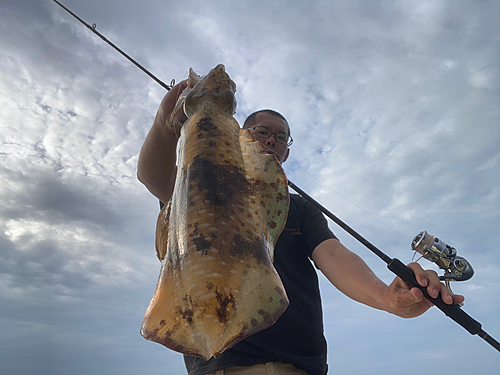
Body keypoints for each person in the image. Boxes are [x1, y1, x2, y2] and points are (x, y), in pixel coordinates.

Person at [137, 79, 464, 375]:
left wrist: (386, 298)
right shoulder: (200, 187)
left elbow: (334, 256)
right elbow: (154, 176)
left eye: (280, 137)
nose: (271, 140)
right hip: (224, 366)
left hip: (302, 367)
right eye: (262, 131)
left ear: (287, 150)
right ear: (241, 136)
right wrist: (167, 121)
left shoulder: (301, 207)